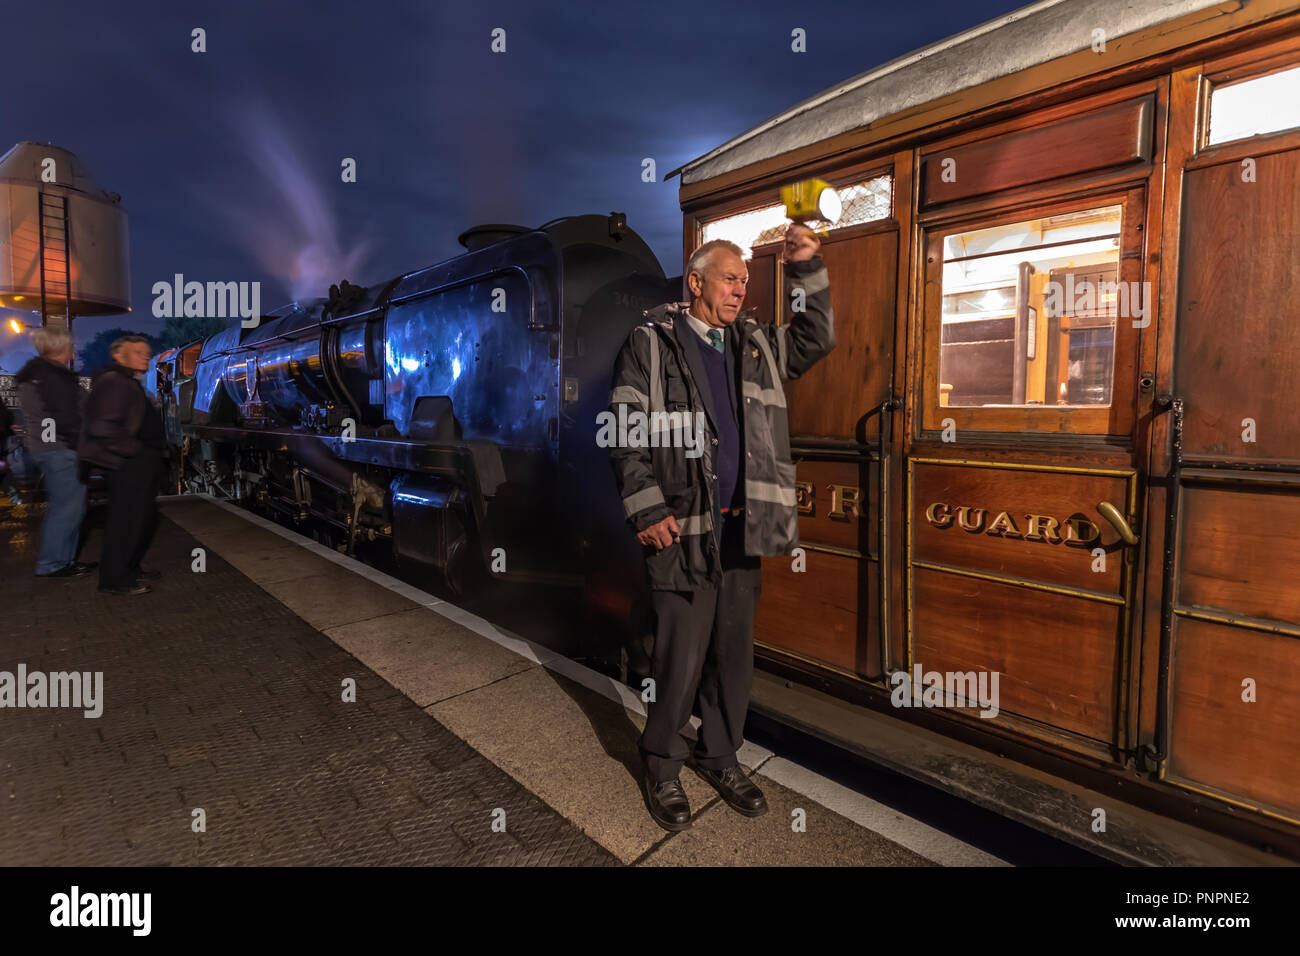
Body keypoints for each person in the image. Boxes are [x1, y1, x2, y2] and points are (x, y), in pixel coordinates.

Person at [608, 222, 835, 831]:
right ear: (696, 281)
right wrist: (647, 506)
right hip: (683, 525)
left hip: (745, 526)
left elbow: (815, 337)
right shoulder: (651, 344)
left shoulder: (755, 342)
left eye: (746, 281)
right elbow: (625, 431)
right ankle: (660, 765)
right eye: (730, 279)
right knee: (680, 655)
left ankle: (720, 754)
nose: (740, 290)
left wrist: (806, 265)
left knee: (733, 654)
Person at [79, 335, 167, 596]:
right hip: (128, 464)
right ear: (118, 355)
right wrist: (135, 451)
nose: (146, 356)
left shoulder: (126, 381)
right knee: (125, 522)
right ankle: (115, 579)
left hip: (136, 462)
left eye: (147, 352)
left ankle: (129, 568)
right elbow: (102, 426)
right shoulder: (114, 382)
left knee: (141, 520)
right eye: (138, 351)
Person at [14, 326, 92, 577]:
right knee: (68, 508)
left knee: (64, 506)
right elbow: (68, 417)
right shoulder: (53, 377)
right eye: (70, 343)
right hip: (60, 449)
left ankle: (62, 561)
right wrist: (80, 444)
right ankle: (53, 563)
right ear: (58, 347)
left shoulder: (35, 374)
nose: (73, 348)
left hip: (47, 448)